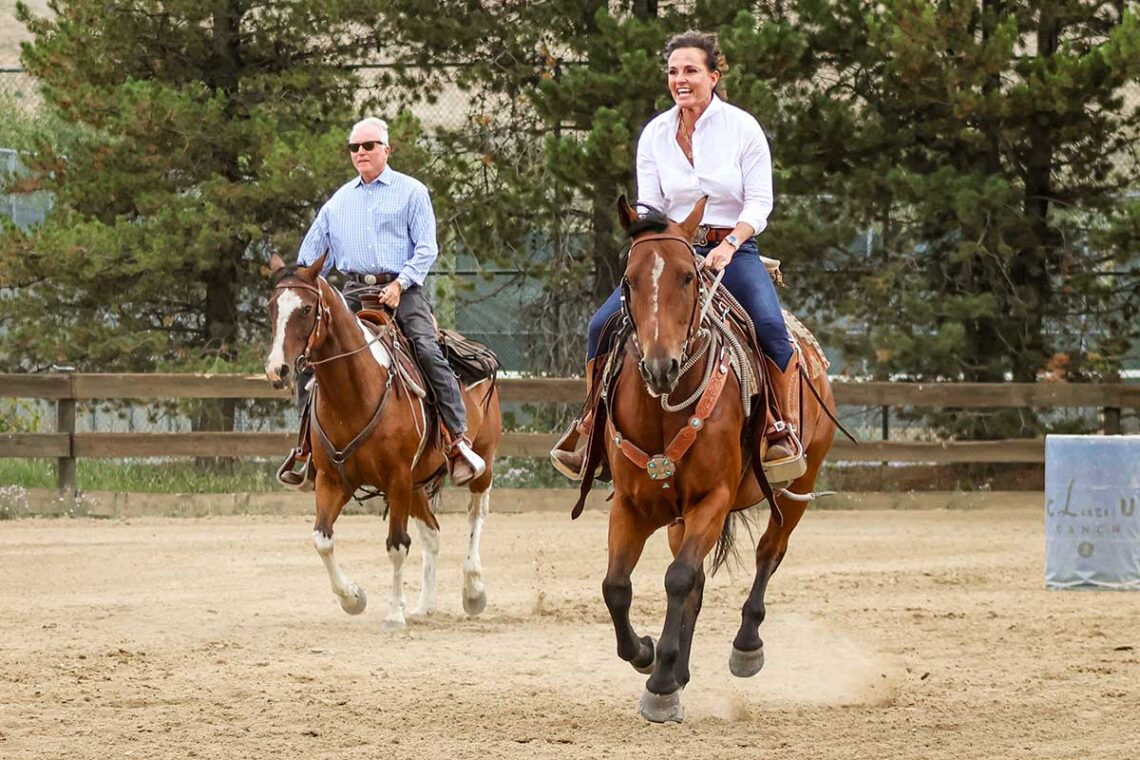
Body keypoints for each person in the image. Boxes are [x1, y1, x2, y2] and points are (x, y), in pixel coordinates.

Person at [550, 31, 805, 483]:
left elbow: (759, 203)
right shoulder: (655, 134)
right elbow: (650, 205)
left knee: (768, 324)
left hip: (732, 246)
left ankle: (779, 428)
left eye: (690, 70)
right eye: (673, 72)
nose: (680, 80)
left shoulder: (742, 128)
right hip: (672, 250)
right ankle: (591, 428)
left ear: (713, 75)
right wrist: (650, 242)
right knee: (600, 326)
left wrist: (729, 245)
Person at [281, 116, 486, 487]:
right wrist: (310, 290)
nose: (361, 152)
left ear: (386, 150)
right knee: (312, 356)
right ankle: (308, 450)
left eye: (369, 146)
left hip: (402, 291)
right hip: (352, 293)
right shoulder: (338, 202)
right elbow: (308, 256)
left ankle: (457, 440)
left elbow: (427, 248)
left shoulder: (411, 192)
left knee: (425, 348)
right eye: (354, 147)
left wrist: (401, 282)